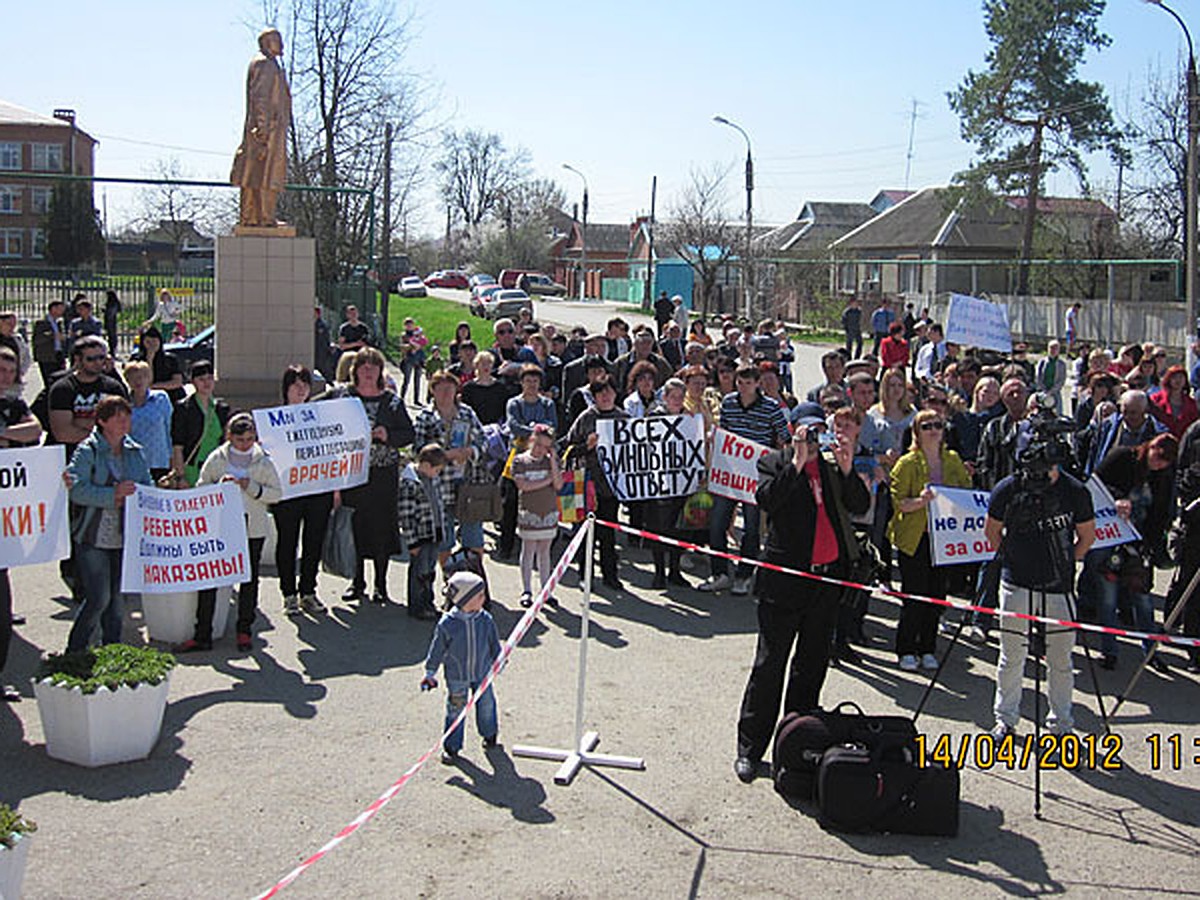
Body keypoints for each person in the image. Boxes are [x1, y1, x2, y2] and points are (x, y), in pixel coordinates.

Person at [733, 402, 870, 783]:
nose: (812, 439)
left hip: (825, 583)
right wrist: (796, 459)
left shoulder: (831, 467)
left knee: (811, 666)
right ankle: (750, 747)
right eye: (805, 432)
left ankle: (794, 744)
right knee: (769, 665)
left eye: (816, 432)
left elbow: (860, 505)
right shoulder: (775, 462)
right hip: (784, 582)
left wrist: (846, 467)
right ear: (793, 431)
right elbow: (767, 501)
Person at [985, 450, 1095, 739]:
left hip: (1059, 588)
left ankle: (1061, 723)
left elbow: (1087, 536)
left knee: (1060, 660)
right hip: (1016, 584)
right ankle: (1005, 718)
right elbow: (992, 531)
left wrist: (1066, 563)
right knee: (1011, 655)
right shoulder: (1009, 487)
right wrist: (1012, 559)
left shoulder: (1075, 491)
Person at [178, 413, 281, 653]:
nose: (245, 444)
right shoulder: (217, 457)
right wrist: (218, 487)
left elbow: (276, 493)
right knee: (210, 578)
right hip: (221, 525)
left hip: (251, 525)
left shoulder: (263, 460)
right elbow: (201, 487)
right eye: (240, 439)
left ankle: (244, 629)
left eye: (249, 439)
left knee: (249, 579)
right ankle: (202, 632)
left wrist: (251, 487)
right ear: (229, 437)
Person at [64, 396, 152, 652]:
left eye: (127, 417)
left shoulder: (135, 451)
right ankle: (76, 648)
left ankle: (111, 648)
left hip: (123, 534)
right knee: (98, 597)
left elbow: (146, 484)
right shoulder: (87, 451)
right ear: (102, 421)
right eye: (118, 417)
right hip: (93, 535)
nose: (125, 422)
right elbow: (76, 489)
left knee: (116, 599)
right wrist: (113, 495)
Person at [888, 408, 972, 671]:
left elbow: (965, 492)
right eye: (926, 426)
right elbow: (899, 502)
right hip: (915, 539)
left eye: (937, 425)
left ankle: (928, 647)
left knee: (936, 595)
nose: (933, 430)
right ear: (916, 432)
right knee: (914, 596)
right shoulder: (907, 463)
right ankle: (906, 648)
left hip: (942, 539)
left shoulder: (952, 459)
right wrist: (921, 501)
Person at [329, 348, 415, 604]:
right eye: (363, 366)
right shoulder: (343, 397)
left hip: (383, 475)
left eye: (373, 366)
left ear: (380, 371)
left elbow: (408, 434)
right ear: (354, 370)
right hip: (352, 475)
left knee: (381, 528)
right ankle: (357, 582)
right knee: (354, 527)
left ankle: (380, 584)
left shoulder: (391, 401)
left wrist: (387, 435)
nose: (368, 371)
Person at [698, 366, 791, 595]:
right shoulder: (728, 403)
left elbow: (785, 437)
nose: (743, 387)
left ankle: (744, 575)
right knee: (717, 524)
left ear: (757, 383)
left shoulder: (771, 407)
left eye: (748, 383)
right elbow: (726, 431)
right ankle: (719, 572)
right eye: (740, 382)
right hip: (729, 474)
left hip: (755, 477)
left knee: (751, 529)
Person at [420, 571, 501, 764]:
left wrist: (499, 659)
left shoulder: (485, 619)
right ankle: (452, 746)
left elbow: (494, 643)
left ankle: (490, 734)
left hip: (482, 673)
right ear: (465, 599)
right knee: (455, 709)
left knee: (487, 704)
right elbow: (437, 650)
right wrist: (430, 672)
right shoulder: (448, 624)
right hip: (457, 676)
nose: (484, 598)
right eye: (480, 595)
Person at [0, 347, 42, 701]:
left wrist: (6, 436)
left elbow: (34, 430)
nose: (4, 374)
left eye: (10, 369)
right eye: (0, 367)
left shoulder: (13, 406)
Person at [273, 365, 332, 616]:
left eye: (305, 384)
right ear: (285, 389)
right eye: (295, 384)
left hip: (317, 489)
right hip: (287, 491)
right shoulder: (274, 419)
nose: (301, 389)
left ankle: (308, 590)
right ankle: (289, 594)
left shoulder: (320, 417)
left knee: (313, 541)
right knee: (287, 541)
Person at [413, 371, 487, 569]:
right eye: (440, 389)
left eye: (450, 388)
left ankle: (476, 582)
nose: (446, 393)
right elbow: (417, 450)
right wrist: (443, 456)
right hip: (438, 486)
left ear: (456, 390)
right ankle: (450, 582)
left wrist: (471, 451)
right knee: (444, 541)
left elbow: (483, 440)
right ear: (433, 391)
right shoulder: (425, 417)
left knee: (474, 539)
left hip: (468, 483)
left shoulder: (467, 413)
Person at [564, 377, 628, 589]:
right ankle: (585, 574)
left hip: (612, 486)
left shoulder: (624, 418)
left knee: (608, 534)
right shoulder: (586, 418)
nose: (605, 396)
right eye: (601, 392)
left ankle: (611, 575)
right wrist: (586, 446)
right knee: (584, 533)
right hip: (587, 484)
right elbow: (567, 449)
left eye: (609, 391)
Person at [230, 27, 291, 227]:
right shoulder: (264, 64)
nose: (281, 44)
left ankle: (258, 216)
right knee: (263, 174)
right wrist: (263, 131)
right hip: (266, 132)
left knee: (259, 174)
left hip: (269, 130)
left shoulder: (270, 64)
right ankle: (262, 217)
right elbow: (261, 99)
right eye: (277, 40)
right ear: (266, 42)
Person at [512, 424, 563, 608]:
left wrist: (553, 461)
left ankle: (546, 590)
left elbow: (558, 485)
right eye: (539, 444)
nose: (541, 450)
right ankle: (526, 590)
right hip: (529, 513)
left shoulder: (549, 462)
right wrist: (546, 480)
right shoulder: (520, 461)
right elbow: (523, 486)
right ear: (532, 440)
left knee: (545, 552)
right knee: (528, 550)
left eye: (546, 446)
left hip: (548, 512)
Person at [396, 443, 448, 620]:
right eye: (437, 470)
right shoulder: (410, 484)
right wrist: (412, 542)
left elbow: (439, 505)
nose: (438, 474)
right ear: (426, 465)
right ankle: (417, 606)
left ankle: (428, 602)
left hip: (434, 532)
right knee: (419, 572)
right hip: (420, 536)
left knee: (430, 571)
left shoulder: (433, 480)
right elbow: (406, 515)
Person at [171, 360, 231, 487]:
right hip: (192, 470)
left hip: (216, 469)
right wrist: (180, 477)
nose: (206, 382)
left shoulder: (222, 408)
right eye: (201, 379)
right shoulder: (184, 408)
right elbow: (178, 446)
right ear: (193, 382)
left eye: (209, 378)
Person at [123, 361, 173, 482]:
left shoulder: (161, 398)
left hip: (160, 459)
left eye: (141, 377)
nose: (138, 381)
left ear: (148, 378)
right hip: (134, 462)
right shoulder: (124, 404)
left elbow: (170, 426)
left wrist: (173, 457)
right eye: (133, 378)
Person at [459, 351, 513, 426]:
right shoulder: (468, 388)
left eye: (489, 363)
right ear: (476, 365)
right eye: (483, 363)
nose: (486, 366)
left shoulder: (500, 387)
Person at [132, 327, 184, 402]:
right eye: (148, 342)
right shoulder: (137, 360)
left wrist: (156, 386)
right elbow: (145, 381)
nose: (151, 345)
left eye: (154, 341)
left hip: (171, 396)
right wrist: (149, 360)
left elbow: (177, 382)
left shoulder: (170, 359)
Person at [1149, 364, 1198, 440]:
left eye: (1181, 377)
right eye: (1174, 377)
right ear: (1168, 379)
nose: (1178, 380)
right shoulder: (1156, 399)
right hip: (1160, 440)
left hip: (1184, 442)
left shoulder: (1192, 403)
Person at [32, 298, 67, 386]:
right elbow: (37, 339)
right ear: (53, 309)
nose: (63, 311)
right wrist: (52, 336)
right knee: (49, 381)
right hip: (46, 356)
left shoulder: (59, 323)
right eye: (60, 308)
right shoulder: (41, 323)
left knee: (60, 381)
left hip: (58, 355)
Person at [1034, 340, 1068, 413]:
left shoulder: (1062, 364)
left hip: (1055, 393)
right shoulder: (1042, 362)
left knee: (1057, 414)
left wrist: (1051, 391)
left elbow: (1061, 380)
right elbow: (1038, 377)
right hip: (1042, 391)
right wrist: (1043, 389)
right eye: (1051, 348)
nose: (1053, 350)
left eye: (1055, 348)